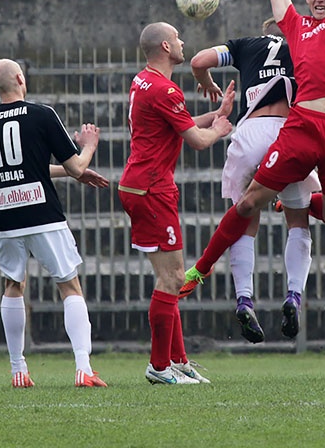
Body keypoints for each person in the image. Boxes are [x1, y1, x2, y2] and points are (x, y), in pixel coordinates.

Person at [186, 0, 325, 339]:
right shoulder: (294, 27)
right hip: (302, 126)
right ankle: (209, 273)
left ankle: (275, 280)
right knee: (251, 202)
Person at [178, 18, 320, 343]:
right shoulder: (303, 44)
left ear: (263, 30)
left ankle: (244, 299)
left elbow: (199, 61)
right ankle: (293, 296)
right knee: (298, 221)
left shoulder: (245, 45)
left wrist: (208, 82)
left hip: (251, 131)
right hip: (288, 131)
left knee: (244, 220)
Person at [0, 58, 109, 389]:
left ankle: (18, 370)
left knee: (13, 285)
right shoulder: (42, 114)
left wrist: (71, 169)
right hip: (41, 212)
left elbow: (23, 168)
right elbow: (77, 167)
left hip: (4, 214)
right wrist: (88, 147)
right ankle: (83, 368)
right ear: (20, 78)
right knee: (69, 285)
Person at [118, 21, 234, 385]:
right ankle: (159, 366)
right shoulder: (165, 90)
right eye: (178, 38)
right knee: (171, 279)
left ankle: (177, 360)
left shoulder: (143, 81)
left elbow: (179, 124)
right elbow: (197, 141)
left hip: (140, 186)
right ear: (166, 47)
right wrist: (220, 130)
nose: (184, 42)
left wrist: (216, 114)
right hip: (153, 189)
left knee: (170, 278)